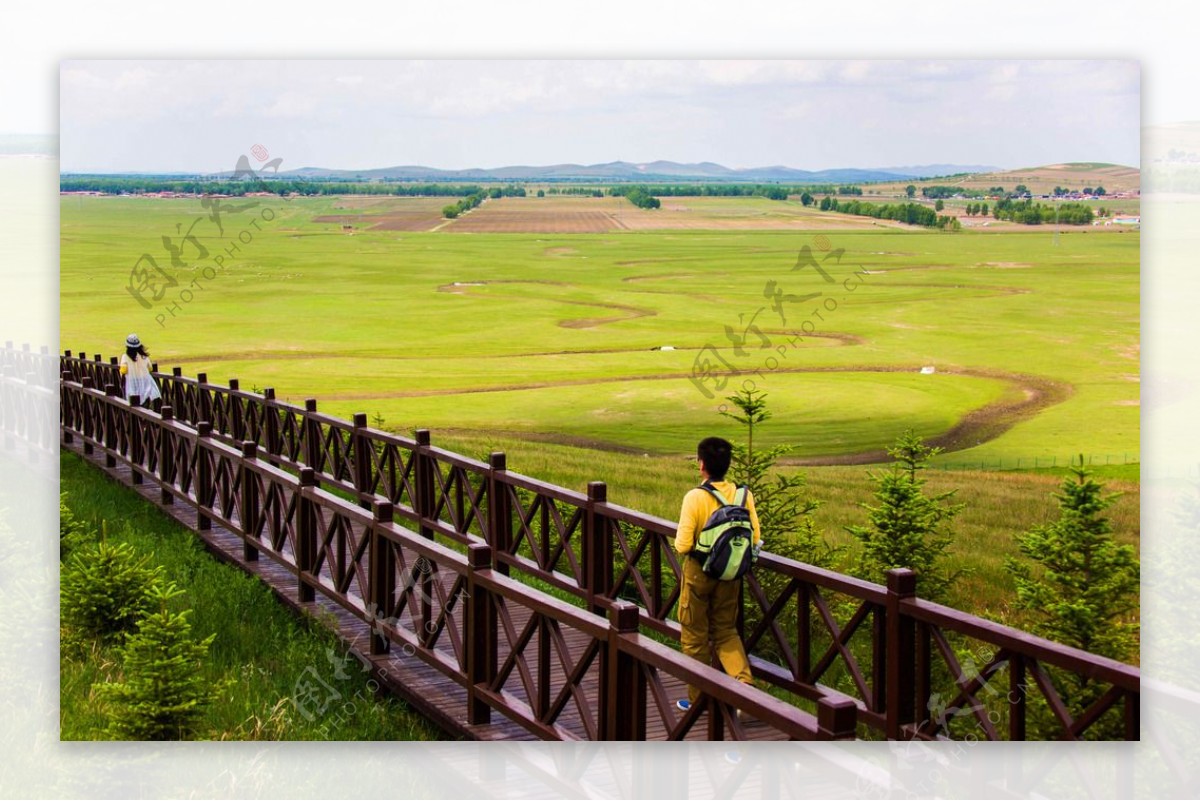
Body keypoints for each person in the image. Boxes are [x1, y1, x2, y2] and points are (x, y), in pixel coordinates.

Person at [674, 436, 762, 714]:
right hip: (731, 574)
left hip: (699, 573)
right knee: (726, 630)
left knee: (694, 634)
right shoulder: (744, 496)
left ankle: (699, 700)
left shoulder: (695, 497)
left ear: (701, 465)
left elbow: (682, 545)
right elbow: (756, 537)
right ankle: (744, 688)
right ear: (727, 464)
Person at [119, 333, 161, 407]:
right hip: (145, 381)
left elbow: (123, 370)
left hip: (132, 382)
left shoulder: (125, 357)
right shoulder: (144, 357)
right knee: (145, 400)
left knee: (134, 403)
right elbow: (150, 368)